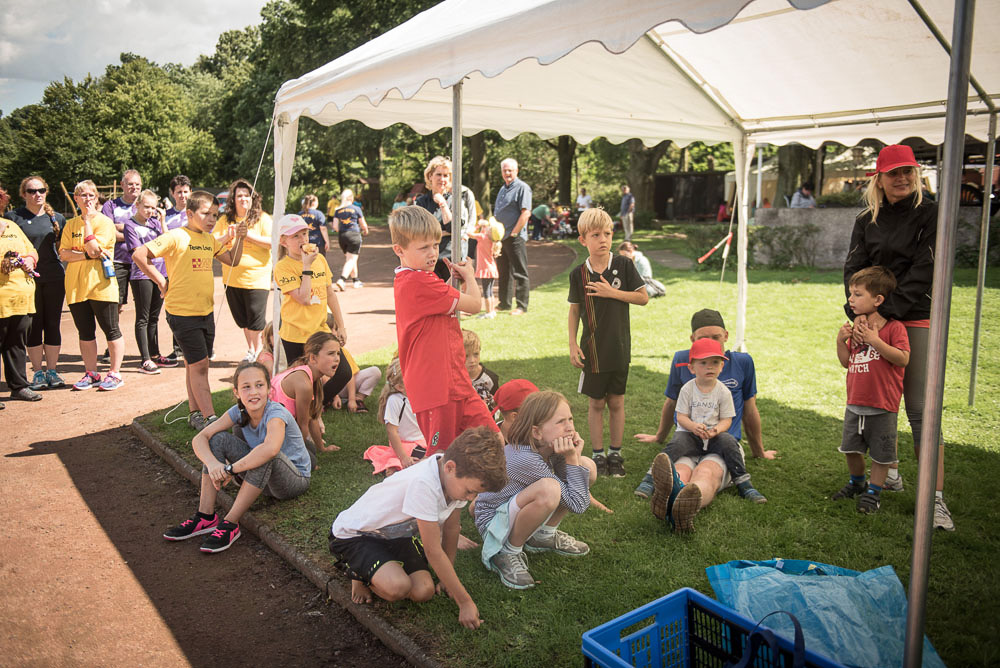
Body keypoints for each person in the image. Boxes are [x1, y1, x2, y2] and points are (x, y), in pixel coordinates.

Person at [843, 143, 953, 530]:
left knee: (921, 408)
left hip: (916, 317)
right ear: (880, 177)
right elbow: (854, 269)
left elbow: (927, 268)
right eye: (894, 172)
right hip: (872, 318)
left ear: (917, 173)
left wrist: (884, 314)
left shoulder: (932, 213)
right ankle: (887, 473)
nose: (902, 178)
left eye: (908, 171)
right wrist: (858, 312)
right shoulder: (866, 218)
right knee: (873, 401)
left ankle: (934, 500)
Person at [328, 426, 507, 628]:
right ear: (450, 467)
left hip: (395, 536)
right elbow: (433, 551)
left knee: (424, 591)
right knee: (398, 587)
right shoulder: (424, 484)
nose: (470, 498)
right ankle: (358, 575)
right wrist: (464, 601)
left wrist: (447, 580)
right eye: (469, 492)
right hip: (357, 535)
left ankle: (377, 568)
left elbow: (451, 529)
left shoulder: (454, 479)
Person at [634, 309, 776, 528]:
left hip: (720, 442)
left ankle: (688, 504)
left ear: (726, 336)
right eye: (703, 339)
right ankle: (665, 494)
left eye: (716, 337)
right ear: (692, 343)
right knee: (679, 471)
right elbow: (672, 404)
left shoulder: (742, 363)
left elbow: (749, 408)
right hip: (688, 437)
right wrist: (659, 436)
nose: (709, 365)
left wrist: (759, 451)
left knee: (706, 473)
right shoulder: (683, 361)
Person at [163, 361, 311, 553]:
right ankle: (205, 517)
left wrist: (230, 469)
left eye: (259, 385)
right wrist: (214, 465)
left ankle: (230, 524)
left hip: (293, 481)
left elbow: (271, 449)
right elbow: (200, 438)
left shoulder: (276, 413)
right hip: (260, 478)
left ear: (269, 390)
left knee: (265, 453)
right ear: (236, 392)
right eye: (246, 387)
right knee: (217, 438)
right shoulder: (238, 411)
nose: (253, 392)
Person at [132, 190, 246, 430]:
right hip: (182, 313)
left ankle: (195, 413)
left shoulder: (210, 240)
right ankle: (210, 419)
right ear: (190, 213)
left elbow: (233, 261)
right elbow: (139, 254)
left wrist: (242, 239)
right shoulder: (176, 236)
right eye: (206, 213)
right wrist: (161, 282)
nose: (211, 219)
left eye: (215, 214)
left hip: (205, 311)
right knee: (201, 365)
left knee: (194, 365)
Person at [390, 206, 499, 455]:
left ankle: (478, 493)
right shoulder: (418, 281)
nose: (432, 254)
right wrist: (470, 277)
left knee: (491, 441)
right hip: (436, 389)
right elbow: (473, 305)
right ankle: (440, 494)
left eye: (436, 245)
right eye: (424, 248)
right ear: (399, 250)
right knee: (442, 458)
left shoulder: (418, 278)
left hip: (455, 381)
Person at [474, 391, 596, 590]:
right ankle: (507, 552)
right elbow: (578, 504)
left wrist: (575, 460)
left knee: (587, 466)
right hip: (493, 522)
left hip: (513, 508)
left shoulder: (546, 447)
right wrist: (572, 459)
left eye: (570, 419)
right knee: (550, 488)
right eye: (560, 422)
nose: (570, 427)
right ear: (537, 432)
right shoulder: (526, 459)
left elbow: (574, 490)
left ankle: (543, 536)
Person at [568, 209, 648, 477]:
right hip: (592, 351)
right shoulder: (578, 274)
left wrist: (612, 292)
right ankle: (598, 455)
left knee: (616, 402)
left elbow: (643, 298)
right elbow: (574, 310)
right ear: (583, 240)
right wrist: (572, 343)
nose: (603, 239)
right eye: (596, 235)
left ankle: (615, 453)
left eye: (608, 234)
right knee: (596, 404)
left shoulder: (624, 265)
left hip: (619, 349)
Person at [834, 266, 910, 514]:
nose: (850, 299)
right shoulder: (857, 327)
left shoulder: (894, 328)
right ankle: (857, 483)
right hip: (855, 401)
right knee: (850, 449)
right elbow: (846, 362)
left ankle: (874, 492)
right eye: (850, 294)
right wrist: (840, 341)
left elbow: (903, 359)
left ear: (877, 300)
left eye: (857, 294)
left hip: (882, 405)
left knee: (881, 454)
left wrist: (875, 341)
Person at [60, 180, 126, 391]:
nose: (86, 199)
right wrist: (85, 255)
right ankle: (91, 373)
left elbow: (95, 251)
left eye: (90, 195)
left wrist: (87, 222)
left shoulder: (105, 222)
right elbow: (64, 254)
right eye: (82, 195)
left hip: (101, 285)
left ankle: (115, 373)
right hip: (76, 286)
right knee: (85, 332)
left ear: (96, 198)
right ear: (76, 199)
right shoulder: (70, 225)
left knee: (111, 329)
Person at [5, 176, 67, 390]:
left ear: (46, 192)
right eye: (31, 191)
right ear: (24, 194)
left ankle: (52, 371)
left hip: (54, 277)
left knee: (52, 324)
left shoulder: (57, 218)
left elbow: (63, 248)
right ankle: (37, 373)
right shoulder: (13, 217)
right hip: (25, 281)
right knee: (33, 326)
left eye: (40, 190)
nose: (37, 194)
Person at [273, 213, 346, 363]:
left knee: (342, 374)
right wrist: (306, 266)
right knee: (305, 382)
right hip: (296, 336)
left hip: (320, 331)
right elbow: (304, 299)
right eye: (295, 236)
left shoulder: (319, 259)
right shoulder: (282, 267)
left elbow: (330, 294)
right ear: (283, 241)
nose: (303, 239)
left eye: (305, 234)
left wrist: (341, 326)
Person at [213, 178, 273, 362]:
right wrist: (228, 235)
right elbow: (213, 243)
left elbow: (272, 242)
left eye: (246, 195)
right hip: (232, 278)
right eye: (239, 195)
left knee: (256, 319)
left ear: (253, 198)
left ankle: (259, 351)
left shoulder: (263, 218)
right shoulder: (224, 220)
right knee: (243, 320)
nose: (243, 199)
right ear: (233, 199)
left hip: (257, 277)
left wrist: (248, 235)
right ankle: (252, 349)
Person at [270, 331, 343, 470]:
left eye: (338, 353)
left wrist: (322, 448)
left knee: (311, 448)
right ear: (313, 358)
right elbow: (302, 425)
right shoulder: (304, 383)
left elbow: (312, 418)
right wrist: (299, 458)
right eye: (331, 353)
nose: (337, 359)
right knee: (311, 460)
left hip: (279, 432)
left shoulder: (305, 372)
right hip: (271, 435)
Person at [123, 189, 170, 374]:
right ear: (137, 205)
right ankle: (145, 359)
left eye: (153, 207)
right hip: (142, 276)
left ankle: (156, 354)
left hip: (161, 274)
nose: (150, 211)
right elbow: (138, 253)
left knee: (154, 317)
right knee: (142, 318)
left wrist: (162, 221)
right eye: (146, 207)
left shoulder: (155, 224)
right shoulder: (130, 225)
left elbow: (167, 241)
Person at [0, 204, 41, 403]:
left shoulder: (11, 226)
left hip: (20, 297)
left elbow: (32, 251)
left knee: (16, 343)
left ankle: (19, 386)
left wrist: (30, 260)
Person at [415, 156, 476, 281]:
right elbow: (420, 232)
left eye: (446, 175)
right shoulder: (422, 202)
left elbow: (455, 229)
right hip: (428, 259)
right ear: (430, 176)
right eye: (438, 174)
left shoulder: (456, 200)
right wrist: (443, 233)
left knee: (452, 297)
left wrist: (443, 204)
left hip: (452, 259)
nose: (442, 179)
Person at [363, 358, 426, 474]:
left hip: (422, 442)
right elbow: (392, 431)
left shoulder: (421, 395)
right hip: (405, 445)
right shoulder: (395, 401)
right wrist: (403, 457)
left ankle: (404, 465)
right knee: (426, 460)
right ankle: (398, 464)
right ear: (400, 387)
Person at [101, 170, 143, 315]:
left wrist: (121, 227)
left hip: (141, 262)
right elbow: (108, 232)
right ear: (122, 185)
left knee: (144, 306)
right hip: (118, 261)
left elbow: (148, 232)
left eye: (137, 184)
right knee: (115, 304)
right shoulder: (110, 205)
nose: (134, 187)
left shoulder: (144, 206)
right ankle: (115, 335)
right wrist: (134, 231)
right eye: (130, 184)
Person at [493, 158, 532, 315]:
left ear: (516, 171)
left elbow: (526, 213)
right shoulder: (503, 189)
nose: (507, 173)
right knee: (503, 272)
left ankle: (521, 306)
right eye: (504, 170)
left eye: (510, 170)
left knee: (520, 272)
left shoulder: (523, 188)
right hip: (502, 239)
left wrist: (514, 233)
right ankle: (504, 303)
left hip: (515, 237)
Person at [330, 189, 369, 290]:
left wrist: (342, 231)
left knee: (351, 259)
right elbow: (363, 224)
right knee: (351, 259)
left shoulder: (338, 210)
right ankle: (342, 280)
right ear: (351, 198)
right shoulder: (356, 208)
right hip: (354, 235)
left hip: (342, 236)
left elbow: (334, 226)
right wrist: (365, 230)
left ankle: (356, 280)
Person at [469, 218, 500, 318]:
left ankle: (488, 313)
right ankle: (491, 311)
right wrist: (484, 226)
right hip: (491, 268)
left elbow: (469, 233)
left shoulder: (482, 237)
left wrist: (478, 225)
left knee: (486, 292)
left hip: (485, 269)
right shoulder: (491, 239)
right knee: (490, 291)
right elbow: (486, 232)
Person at [493, 378, 539, 442]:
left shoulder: (540, 433)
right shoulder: (491, 444)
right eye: (536, 411)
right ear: (514, 417)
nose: (541, 413)